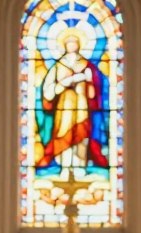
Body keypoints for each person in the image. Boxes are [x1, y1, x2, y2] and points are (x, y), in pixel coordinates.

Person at [39, 32, 108, 170]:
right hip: (64, 106)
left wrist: (89, 81)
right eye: (69, 43)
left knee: (82, 134)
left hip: (82, 104)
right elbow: (48, 90)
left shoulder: (87, 65)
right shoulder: (58, 66)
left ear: (79, 45)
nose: (72, 46)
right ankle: (64, 166)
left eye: (75, 43)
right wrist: (66, 82)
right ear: (64, 45)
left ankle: (80, 166)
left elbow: (94, 93)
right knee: (63, 133)